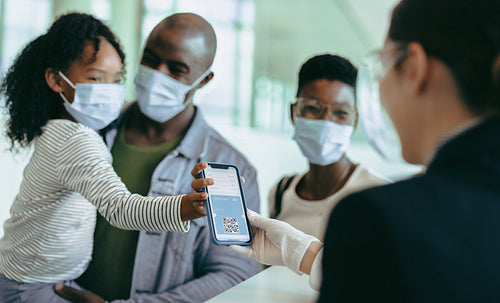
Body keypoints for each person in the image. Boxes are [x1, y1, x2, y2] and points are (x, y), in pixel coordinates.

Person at [200, 0, 500, 301]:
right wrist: (303, 252)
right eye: (314, 109)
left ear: (413, 67)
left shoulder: (375, 213)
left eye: (384, 66)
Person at [0, 13, 207, 303]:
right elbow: (121, 209)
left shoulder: (57, 128)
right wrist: (186, 207)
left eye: (117, 80)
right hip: (30, 286)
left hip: (34, 277)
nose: (109, 92)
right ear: (56, 80)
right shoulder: (75, 140)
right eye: (96, 78)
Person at [56, 13, 261, 303]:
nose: (157, 73)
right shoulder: (91, 130)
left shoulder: (229, 167)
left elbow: (232, 274)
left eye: (176, 69)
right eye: (150, 59)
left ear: (204, 80)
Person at [269, 54, 389, 239]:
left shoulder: (379, 194)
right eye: (312, 108)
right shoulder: (281, 192)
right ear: (293, 112)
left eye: (340, 112)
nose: (325, 121)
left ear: (354, 121)